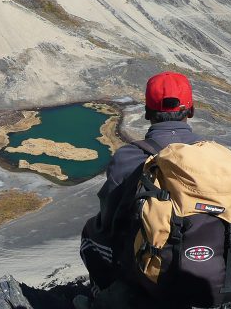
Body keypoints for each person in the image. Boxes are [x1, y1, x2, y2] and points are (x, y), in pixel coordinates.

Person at [75, 71, 203, 309]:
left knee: (91, 233)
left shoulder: (129, 157)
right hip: (206, 260)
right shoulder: (211, 156)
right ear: (191, 110)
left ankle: (105, 299)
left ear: (147, 112)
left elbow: (108, 222)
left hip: (152, 267)